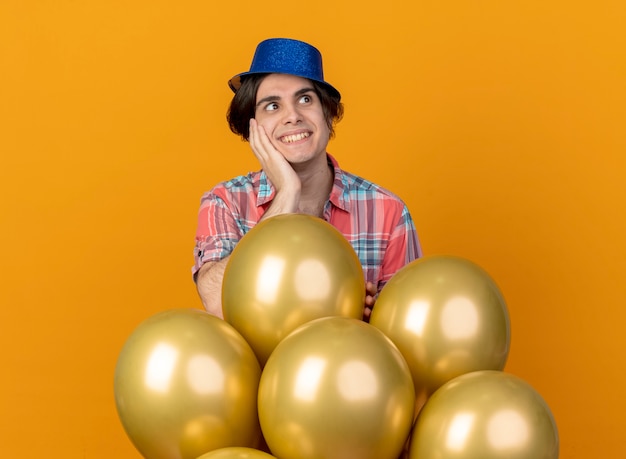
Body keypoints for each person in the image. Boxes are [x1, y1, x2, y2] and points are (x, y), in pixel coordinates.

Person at [192, 38, 421, 321]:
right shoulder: (225, 203)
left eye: (305, 99)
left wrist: (372, 318)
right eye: (272, 106)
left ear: (327, 113)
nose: (293, 117)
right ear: (252, 127)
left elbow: (409, 334)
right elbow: (215, 301)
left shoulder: (388, 212)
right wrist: (287, 195)